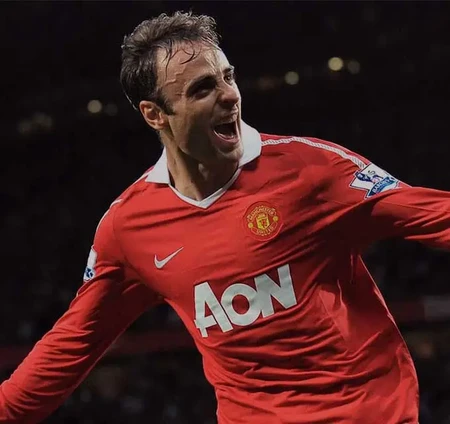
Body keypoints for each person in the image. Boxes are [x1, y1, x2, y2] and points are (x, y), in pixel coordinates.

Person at [1, 11, 449, 424]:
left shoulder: (312, 170)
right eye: (202, 89)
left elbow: (433, 214)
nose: (230, 95)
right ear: (154, 114)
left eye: (227, 76)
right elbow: (69, 348)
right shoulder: (128, 229)